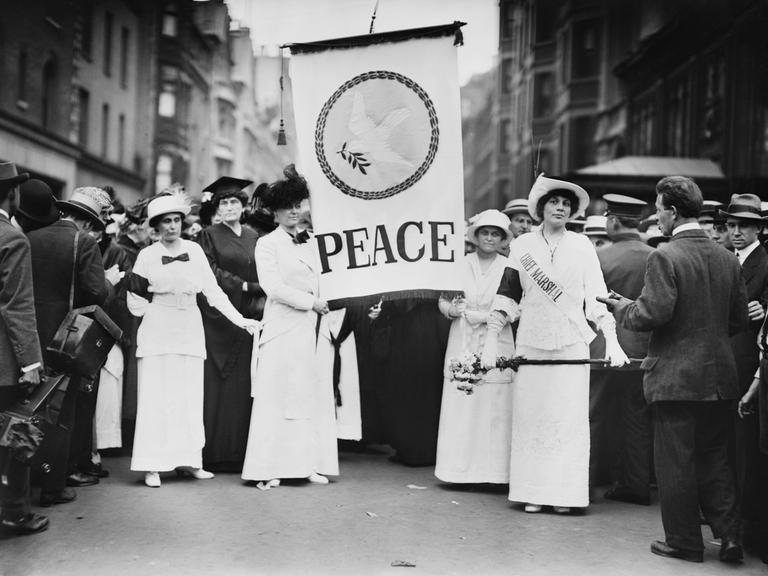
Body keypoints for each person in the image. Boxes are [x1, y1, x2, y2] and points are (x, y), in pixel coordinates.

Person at [601, 175, 747, 564]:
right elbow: (737, 321)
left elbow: (652, 314)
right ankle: (730, 537)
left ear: (672, 211)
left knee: (676, 461)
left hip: (676, 378)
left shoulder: (665, 255)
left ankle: (684, 541)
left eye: (659, 208)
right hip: (719, 376)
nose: (657, 215)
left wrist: (622, 308)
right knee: (715, 457)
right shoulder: (726, 257)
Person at [484, 174, 628, 514]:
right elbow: (508, 295)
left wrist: (613, 339)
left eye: (566, 204)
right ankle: (532, 491)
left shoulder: (582, 246)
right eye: (554, 202)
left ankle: (565, 495)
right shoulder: (522, 247)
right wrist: (491, 339)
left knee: (567, 419)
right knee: (532, 417)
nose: (560, 208)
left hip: (570, 345)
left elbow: (597, 296)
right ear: (542, 207)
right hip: (531, 343)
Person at [126, 192, 258, 487]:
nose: (172, 226)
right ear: (156, 226)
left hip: (189, 328)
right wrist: (159, 314)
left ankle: (189, 461)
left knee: (188, 397)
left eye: (176, 220)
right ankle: (152, 466)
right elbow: (134, 301)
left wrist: (241, 320)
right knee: (157, 398)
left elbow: (215, 294)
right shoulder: (146, 256)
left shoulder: (196, 252)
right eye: (166, 222)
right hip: (159, 330)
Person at [241, 171, 338, 488]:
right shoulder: (267, 244)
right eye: (286, 206)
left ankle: (305, 463)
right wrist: (310, 302)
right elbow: (273, 286)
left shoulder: (313, 243)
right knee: (278, 397)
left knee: (306, 394)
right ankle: (268, 467)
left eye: (297, 204)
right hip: (283, 327)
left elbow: (327, 280)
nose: (293, 211)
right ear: (275, 211)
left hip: (311, 329)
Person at [28, 186, 119, 506]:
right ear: (88, 222)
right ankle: (54, 485)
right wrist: (109, 280)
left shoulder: (31, 237)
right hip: (66, 339)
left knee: (31, 408)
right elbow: (97, 293)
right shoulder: (84, 243)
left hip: (29, 337)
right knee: (61, 412)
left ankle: (31, 477)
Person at [434, 209, 516, 484]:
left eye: (495, 234)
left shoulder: (510, 266)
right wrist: (453, 311)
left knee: (493, 407)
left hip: (497, 338)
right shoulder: (460, 263)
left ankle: (493, 473)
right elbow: (442, 299)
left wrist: (494, 317)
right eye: (485, 233)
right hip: (463, 337)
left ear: (503, 238)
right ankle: (457, 471)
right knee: (463, 400)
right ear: (476, 236)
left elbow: (519, 305)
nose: (490, 238)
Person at [196, 176, 264, 472]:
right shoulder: (208, 235)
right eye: (223, 202)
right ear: (217, 207)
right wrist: (245, 287)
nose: (229, 207)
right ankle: (214, 453)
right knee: (217, 385)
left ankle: (239, 452)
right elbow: (209, 272)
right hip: (220, 317)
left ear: (243, 206)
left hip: (250, 316)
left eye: (234, 201)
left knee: (244, 385)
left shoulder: (253, 237)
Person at [0, 161, 48, 536]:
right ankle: (13, 513)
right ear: (13, 194)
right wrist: (31, 361)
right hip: (3, 362)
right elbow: (17, 305)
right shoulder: (12, 238)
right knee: (14, 437)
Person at [598, 193, 654, 505]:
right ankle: (637, 483)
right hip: (645, 349)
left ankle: (598, 477)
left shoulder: (602, 257)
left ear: (614, 220)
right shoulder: (655, 255)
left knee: (600, 414)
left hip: (607, 349)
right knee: (638, 418)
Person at [720, 194, 768, 555]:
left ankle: (741, 527)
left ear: (758, 229)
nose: (736, 232)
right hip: (721, 362)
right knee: (724, 446)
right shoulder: (722, 259)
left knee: (744, 450)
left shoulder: (765, 261)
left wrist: (764, 307)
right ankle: (728, 521)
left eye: (744, 227)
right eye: (732, 226)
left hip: (749, 364)